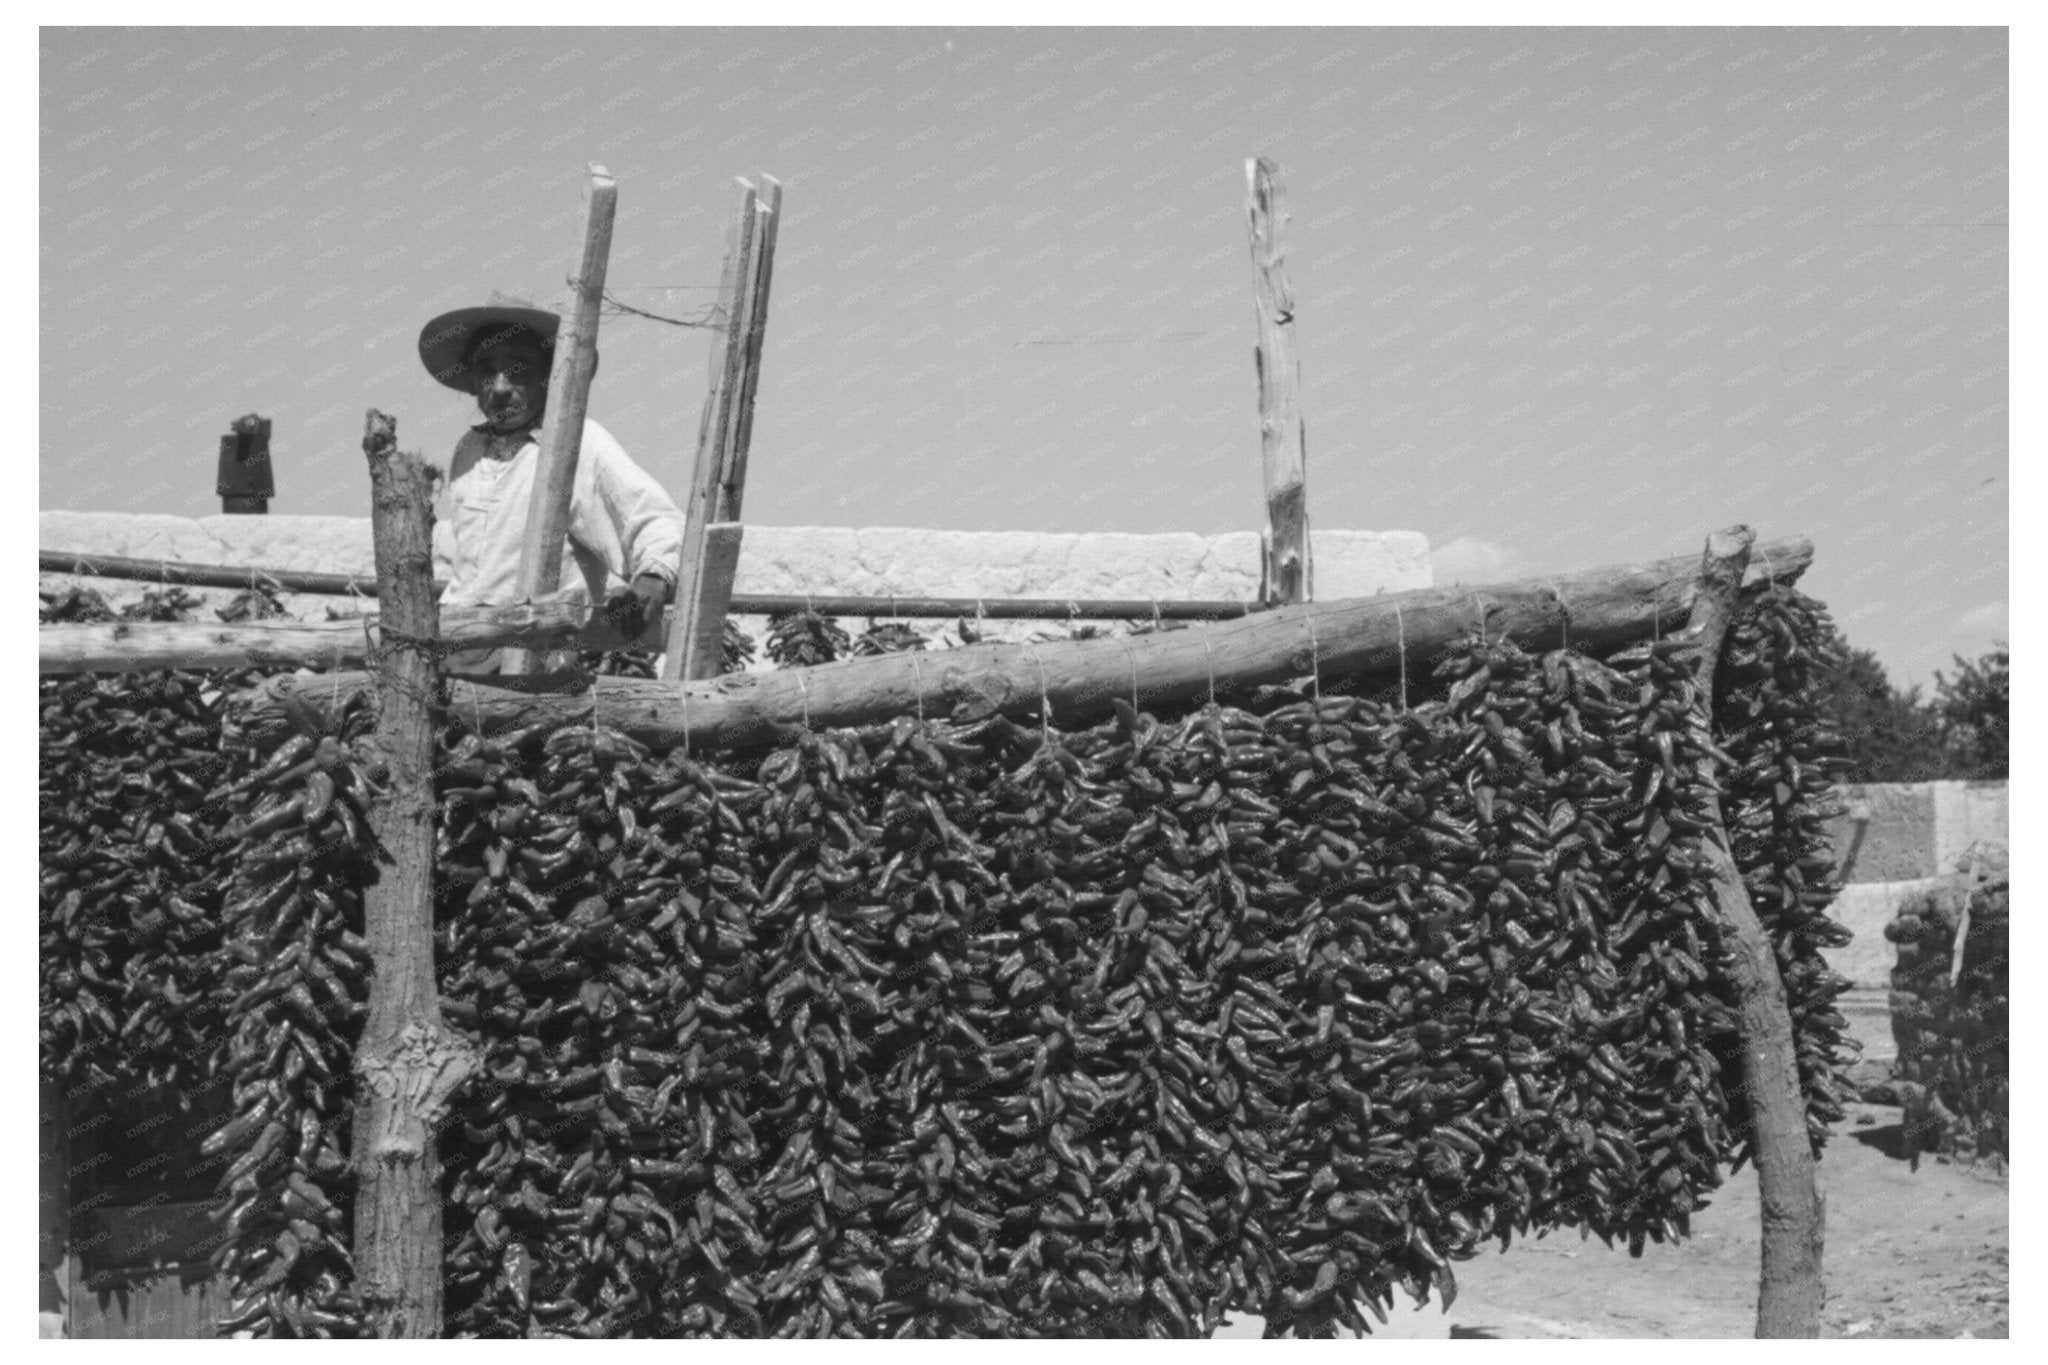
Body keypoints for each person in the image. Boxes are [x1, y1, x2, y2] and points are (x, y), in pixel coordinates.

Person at [417, 292, 685, 665]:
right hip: (460, 641)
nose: (499, 388)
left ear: (548, 376)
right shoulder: (469, 449)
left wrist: (651, 581)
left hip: (538, 650)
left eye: (518, 369)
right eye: (487, 370)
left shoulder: (577, 442)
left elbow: (655, 519)